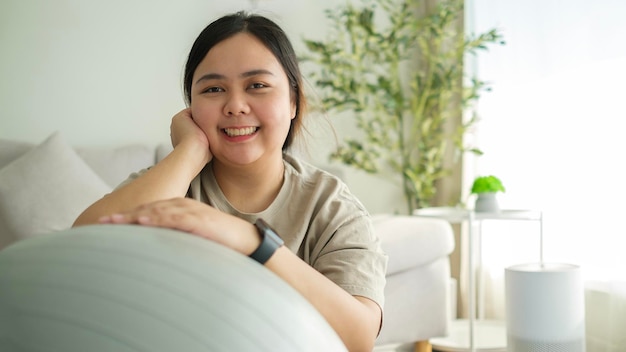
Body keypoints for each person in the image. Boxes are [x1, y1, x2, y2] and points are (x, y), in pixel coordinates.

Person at [73, 11, 387, 352]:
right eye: (213, 88)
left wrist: (253, 241)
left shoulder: (330, 207)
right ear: (190, 107)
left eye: (257, 85)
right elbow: (80, 254)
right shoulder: (169, 184)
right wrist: (189, 152)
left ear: (294, 101)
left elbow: (359, 338)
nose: (236, 106)